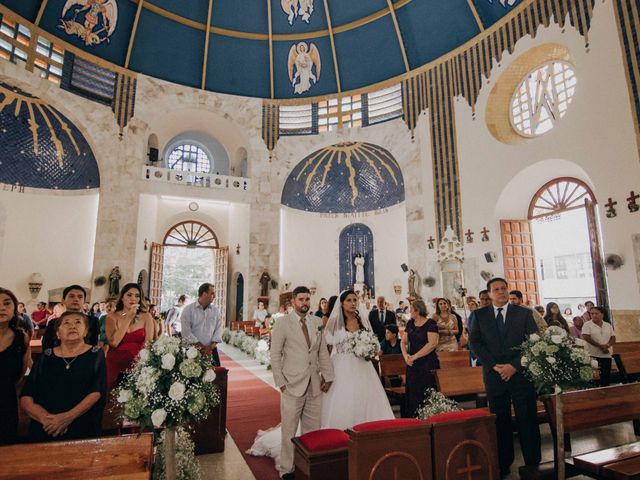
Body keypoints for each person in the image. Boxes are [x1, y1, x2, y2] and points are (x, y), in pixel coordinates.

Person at [469, 278, 541, 478]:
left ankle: (533, 463)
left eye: (503, 288)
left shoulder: (524, 313)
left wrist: (514, 366)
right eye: (496, 289)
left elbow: (533, 342)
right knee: (500, 421)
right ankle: (503, 463)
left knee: (527, 418)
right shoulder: (479, 315)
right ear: (489, 294)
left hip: (520, 375)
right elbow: (475, 343)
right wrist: (494, 365)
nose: (501, 292)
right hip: (494, 375)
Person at [270, 286, 335, 479]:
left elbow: (322, 351)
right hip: (291, 384)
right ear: (293, 302)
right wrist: (280, 382)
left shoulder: (316, 322)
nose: (305, 303)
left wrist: (328, 376)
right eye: (301, 299)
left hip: (314, 384)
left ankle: (308, 467)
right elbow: (275, 355)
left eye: (307, 299)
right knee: (289, 429)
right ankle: (287, 469)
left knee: (312, 431)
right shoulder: (282, 324)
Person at [21, 311, 106, 442]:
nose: (72, 326)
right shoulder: (46, 356)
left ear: (85, 332)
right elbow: (27, 395)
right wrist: (46, 419)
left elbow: (96, 391)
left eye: (78, 322)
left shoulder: (95, 355)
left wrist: (66, 418)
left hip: (81, 425)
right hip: (46, 427)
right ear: (58, 333)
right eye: (66, 323)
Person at [321, 289, 394, 428]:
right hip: (340, 365)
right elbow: (327, 349)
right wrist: (325, 373)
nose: (353, 303)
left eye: (355, 300)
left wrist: (369, 349)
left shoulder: (363, 321)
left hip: (362, 366)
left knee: (365, 398)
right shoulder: (334, 323)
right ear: (341, 303)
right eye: (349, 300)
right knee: (345, 399)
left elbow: (375, 345)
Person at [105, 283, 154, 390]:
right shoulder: (111, 317)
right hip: (115, 363)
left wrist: (141, 363)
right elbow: (114, 342)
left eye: (137, 296)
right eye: (129, 295)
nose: (133, 299)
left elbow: (149, 343)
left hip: (138, 363)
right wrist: (128, 318)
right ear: (122, 297)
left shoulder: (146, 316)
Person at [0, 288, 30, 445]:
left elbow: (21, 372)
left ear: (15, 308)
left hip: (6, 400)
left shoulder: (21, 337)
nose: (1, 308)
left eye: (6, 303)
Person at [401, 299, 439, 417]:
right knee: (413, 392)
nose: (409, 311)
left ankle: (428, 416)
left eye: (411, 309)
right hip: (413, 364)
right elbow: (403, 342)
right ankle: (413, 418)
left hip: (427, 363)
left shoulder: (431, 323)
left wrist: (415, 356)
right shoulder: (410, 323)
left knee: (427, 391)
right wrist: (406, 356)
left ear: (417, 310)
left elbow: (432, 344)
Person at [43, 285, 99, 350]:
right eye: (71, 296)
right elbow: (47, 345)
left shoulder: (93, 321)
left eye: (80, 297)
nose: (76, 299)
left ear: (84, 301)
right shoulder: (54, 322)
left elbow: (93, 344)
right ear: (63, 300)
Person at [181, 283, 223, 367]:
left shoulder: (215, 311)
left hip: (211, 350)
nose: (214, 296)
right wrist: (202, 348)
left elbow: (219, 329)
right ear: (204, 294)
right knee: (192, 377)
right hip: (192, 350)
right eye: (212, 293)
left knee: (217, 377)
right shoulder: (188, 310)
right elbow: (186, 332)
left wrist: (210, 348)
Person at [582, 306, 616, 387]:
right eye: (592, 314)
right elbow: (586, 337)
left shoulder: (608, 325)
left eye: (596, 313)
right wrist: (600, 346)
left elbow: (613, 337)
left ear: (602, 314)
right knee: (595, 378)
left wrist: (607, 345)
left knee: (606, 377)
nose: (594, 315)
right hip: (593, 355)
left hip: (606, 354)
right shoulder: (587, 325)